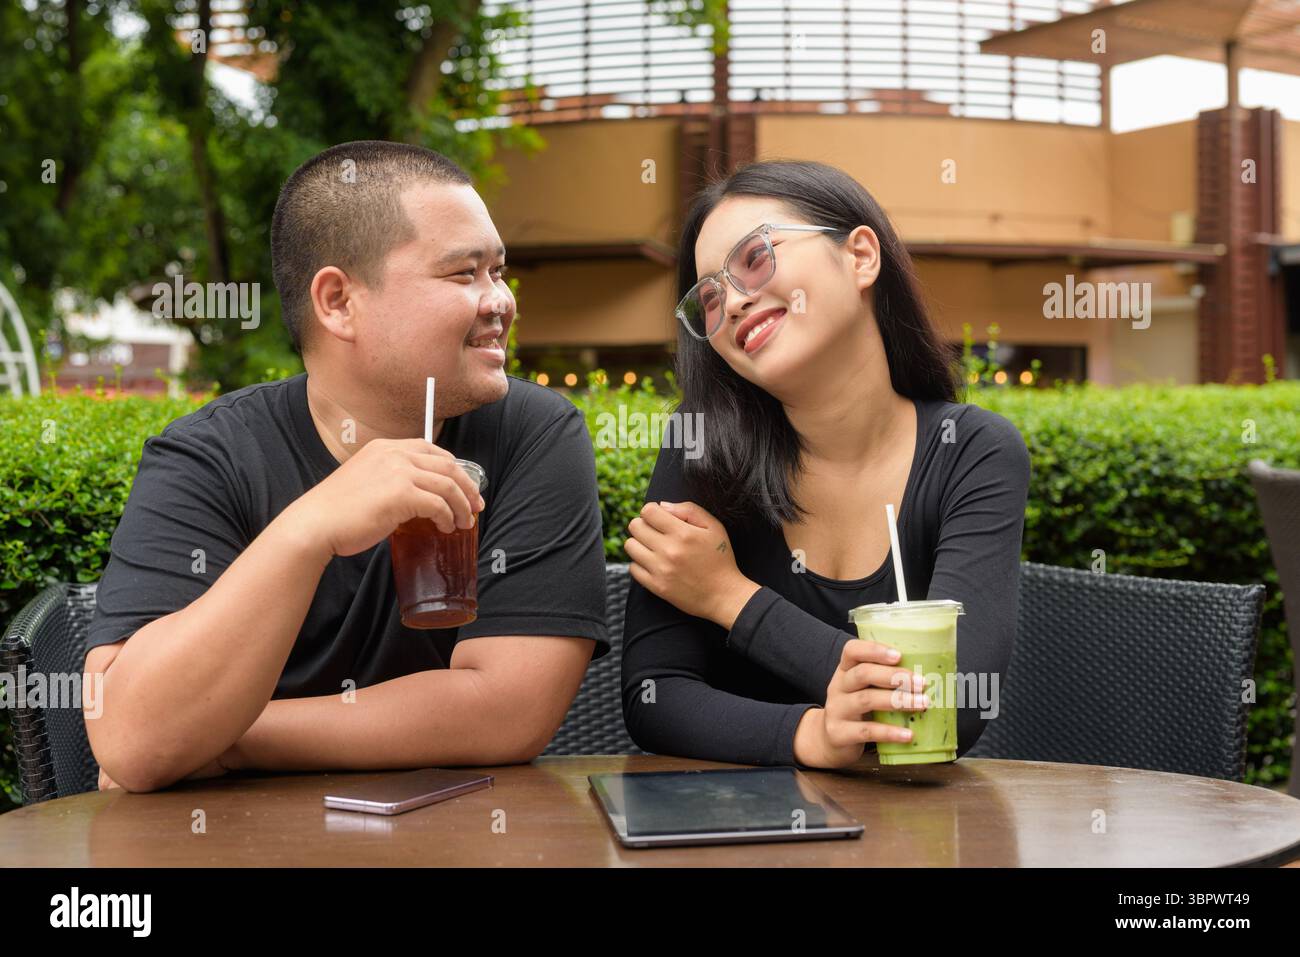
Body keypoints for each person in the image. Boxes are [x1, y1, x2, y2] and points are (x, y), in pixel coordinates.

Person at [83, 141, 609, 792]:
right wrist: (310, 529)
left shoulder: (534, 433)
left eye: (498, 272)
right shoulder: (207, 455)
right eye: (462, 274)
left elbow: (508, 711)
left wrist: (228, 738)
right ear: (337, 302)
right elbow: (132, 737)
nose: (499, 300)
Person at [621, 159, 1030, 769]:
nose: (731, 302)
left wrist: (729, 596)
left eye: (755, 258)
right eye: (708, 296)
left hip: (915, 843)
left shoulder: (972, 451)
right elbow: (654, 698)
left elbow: (950, 704)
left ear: (861, 256)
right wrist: (810, 736)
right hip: (734, 835)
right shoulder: (702, 446)